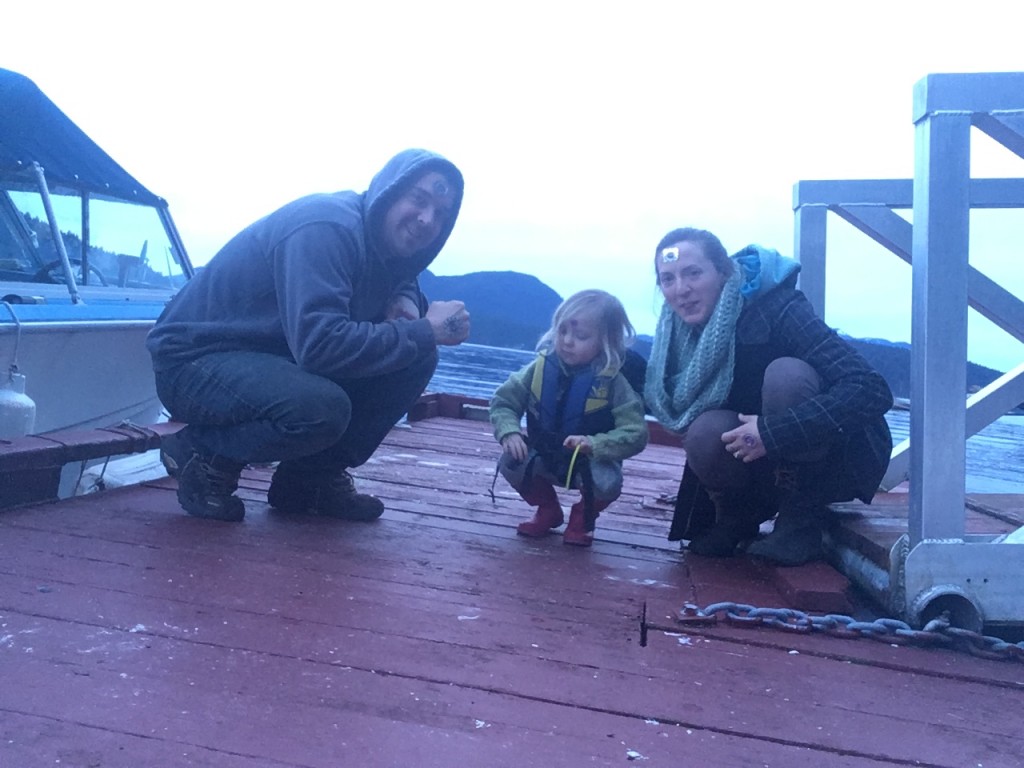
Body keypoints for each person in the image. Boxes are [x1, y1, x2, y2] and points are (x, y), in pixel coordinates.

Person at [146, 148, 471, 523]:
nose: (427, 219)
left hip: (269, 362)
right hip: (193, 361)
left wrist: (406, 299)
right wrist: (425, 328)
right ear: (388, 192)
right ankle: (202, 454)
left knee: (417, 353)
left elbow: (401, 282)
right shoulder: (327, 228)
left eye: (442, 214)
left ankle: (310, 480)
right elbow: (321, 347)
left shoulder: (386, 252)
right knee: (322, 408)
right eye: (419, 199)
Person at [644, 228, 893, 566]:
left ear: (724, 271)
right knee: (704, 431)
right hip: (758, 466)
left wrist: (773, 433)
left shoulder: (779, 307)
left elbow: (870, 389)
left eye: (693, 273)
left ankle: (800, 521)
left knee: (786, 375)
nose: (681, 289)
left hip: (836, 460)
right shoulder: (677, 336)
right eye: (667, 279)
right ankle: (737, 516)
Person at [489, 289, 649, 547]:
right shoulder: (538, 369)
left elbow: (636, 433)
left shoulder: (615, 383)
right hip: (546, 456)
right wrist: (509, 431)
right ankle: (548, 510)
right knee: (510, 460)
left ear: (607, 341)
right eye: (562, 331)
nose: (567, 341)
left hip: (587, 464)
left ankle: (582, 516)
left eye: (581, 335)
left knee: (608, 481)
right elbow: (503, 402)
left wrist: (595, 444)